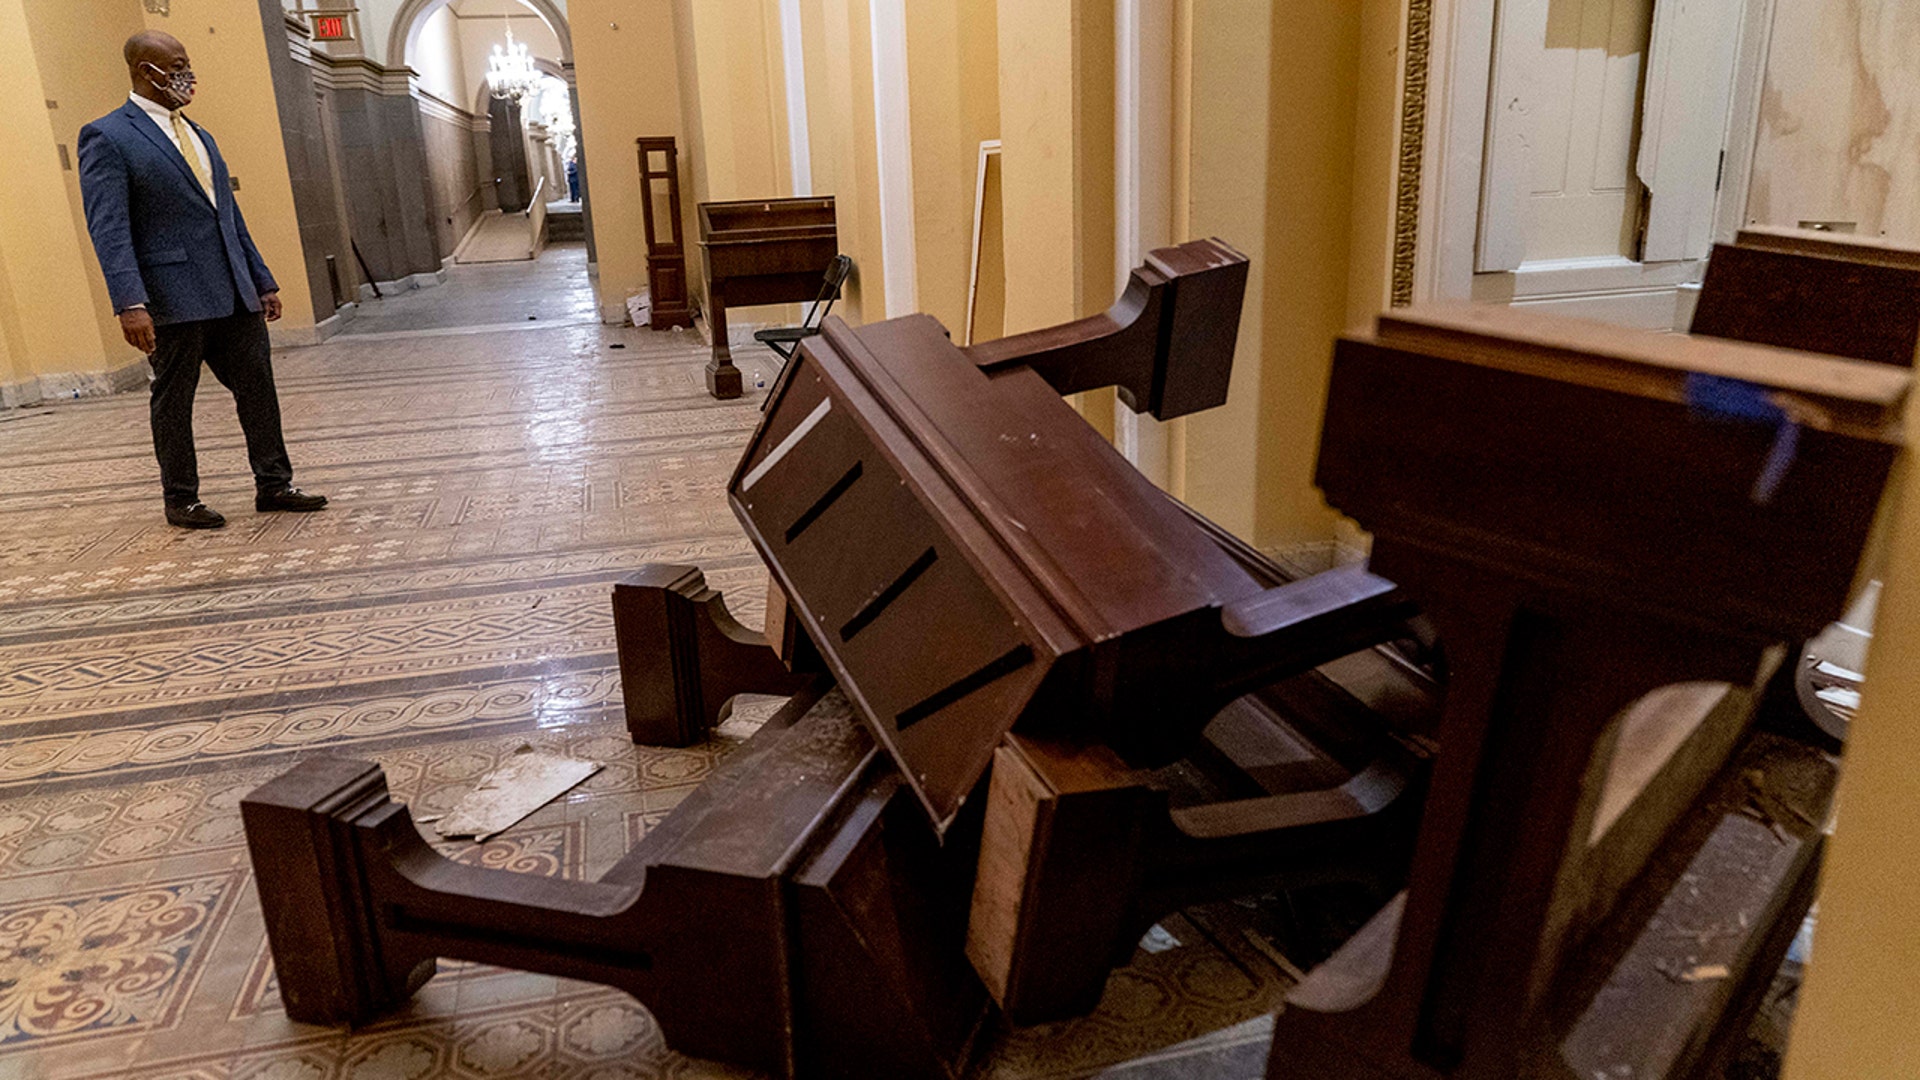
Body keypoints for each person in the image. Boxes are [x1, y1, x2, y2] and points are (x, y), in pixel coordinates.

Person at [78, 30, 325, 529]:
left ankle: (274, 483)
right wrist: (130, 302)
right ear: (146, 70)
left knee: (259, 389)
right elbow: (109, 227)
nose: (187, 74)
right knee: (175, 400)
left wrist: (261, 278)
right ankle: (181, 498)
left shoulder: (198, 133)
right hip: (172, 296)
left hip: (234, 289)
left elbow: (227, 215)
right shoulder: (107, 136)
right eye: (178, 64)